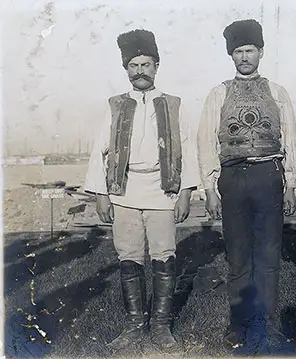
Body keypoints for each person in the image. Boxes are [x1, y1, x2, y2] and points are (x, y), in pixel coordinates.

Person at [84, 29, 199, 352]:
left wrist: (186, 193)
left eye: (145, 64)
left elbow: (187, 151)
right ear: (126, 70)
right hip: (124, 191)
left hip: (163, 191)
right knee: (129, 257)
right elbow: (98, 151)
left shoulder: (174, 105)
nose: (140, 71)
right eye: (133, 65)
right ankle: (135, 325)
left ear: (156, 66)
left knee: (164, 256)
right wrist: (101, 195)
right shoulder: (115, 106)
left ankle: (161, 327)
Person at [197, 19, 296, 349]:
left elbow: (292, 139)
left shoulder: (277, 92)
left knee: (269, 255)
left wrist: (292, 184)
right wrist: (209, 188)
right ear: (231, 55)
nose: (244, 57)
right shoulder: (219, 93)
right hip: (233, 179)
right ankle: (239, 324)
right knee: (238, 257)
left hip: (268, 176)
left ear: (261, 52)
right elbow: (204, 143)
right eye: (238, 51)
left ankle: (269, 323)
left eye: (249, 50)